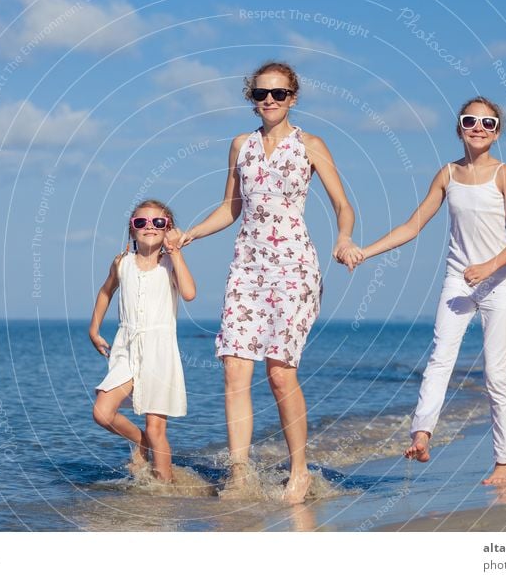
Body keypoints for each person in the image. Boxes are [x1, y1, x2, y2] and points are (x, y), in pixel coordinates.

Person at [179, 61, 363, 504]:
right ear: (252, 98)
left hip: (293, 266)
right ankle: (240, 474)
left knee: (280, 374)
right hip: (247, 266)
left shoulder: (311, 145)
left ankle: (299, 472)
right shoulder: (240, 145)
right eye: (261, 93)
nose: (269, 101)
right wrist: (189, 233)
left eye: (278, 94)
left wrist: (343, 238)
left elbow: (343, 206)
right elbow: (230, 208)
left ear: (292, 98)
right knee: (234, 369)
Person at [359, 96, 506, 485]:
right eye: (471, 120)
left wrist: (489, 267)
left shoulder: (504, 175)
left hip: (498, 280)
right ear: (459, 127)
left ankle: (505, 463)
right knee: (440, 358)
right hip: (458, 279)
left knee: (496, 373)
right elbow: (411, 226)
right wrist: (365, 252)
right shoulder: (447, 174)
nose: (478, 128)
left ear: (497, 132)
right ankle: (421, 436)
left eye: (488, 123)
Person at [89, 199, 196, 483]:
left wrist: (176, 252)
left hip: (159, 353)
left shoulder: (170, 265)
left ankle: (165, 488)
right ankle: (141, 441)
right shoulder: (122, 264)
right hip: (126, 348)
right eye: (141, 222)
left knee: (157, 427)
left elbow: (188, 293)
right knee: (102, 411)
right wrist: (94, 328)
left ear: (168, 229)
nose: (149, 227)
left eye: (158, 223)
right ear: (132, 230)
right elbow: (105, 291)